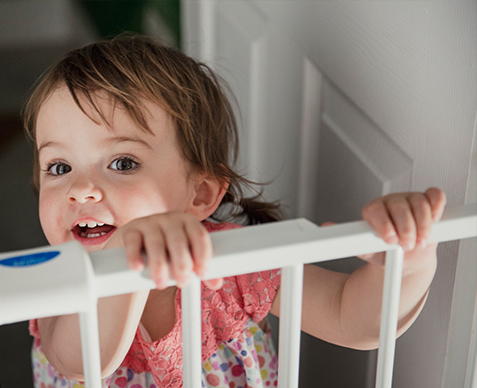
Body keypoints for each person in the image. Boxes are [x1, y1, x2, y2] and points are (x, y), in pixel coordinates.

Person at [22, 35, 446, 388]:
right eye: (59, 167)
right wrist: (123, 256)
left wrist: (406, 262)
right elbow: (79, 362)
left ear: (201, 194)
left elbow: (349, 316)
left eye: (123, 163)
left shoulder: (233, 262)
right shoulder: (56, 275)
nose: (80, 190)